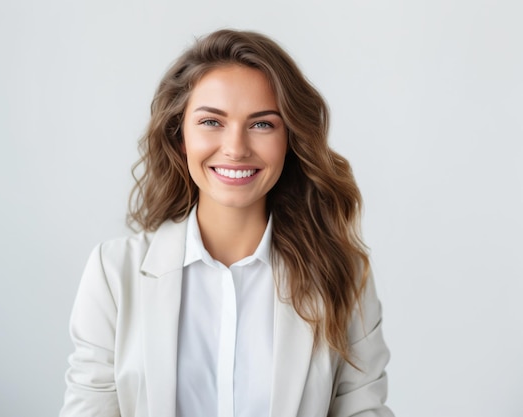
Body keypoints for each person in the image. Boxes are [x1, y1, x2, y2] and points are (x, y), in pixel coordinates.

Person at [60, 29, 393, 417]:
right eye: (211, 122)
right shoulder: (114, 274)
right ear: (180, 135)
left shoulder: (343, 276)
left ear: (291, 139)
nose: (235, 148)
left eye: (262, 124)